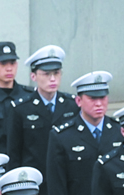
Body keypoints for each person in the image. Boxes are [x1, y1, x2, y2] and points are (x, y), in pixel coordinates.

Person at [43, 71, 120, 195]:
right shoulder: (62, 136)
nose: (99, 104)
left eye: (102, 97)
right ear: (79, 101)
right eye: (92, 98)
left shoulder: (118, 131)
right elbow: (57, 187)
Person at [6, 47, 79, 175]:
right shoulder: (21, 109)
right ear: (33, 76)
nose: (52, 79)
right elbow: (14, 152)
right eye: (46, 74)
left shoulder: (72, 105)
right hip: (36, 178)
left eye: (56, 73)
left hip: (67, 175)